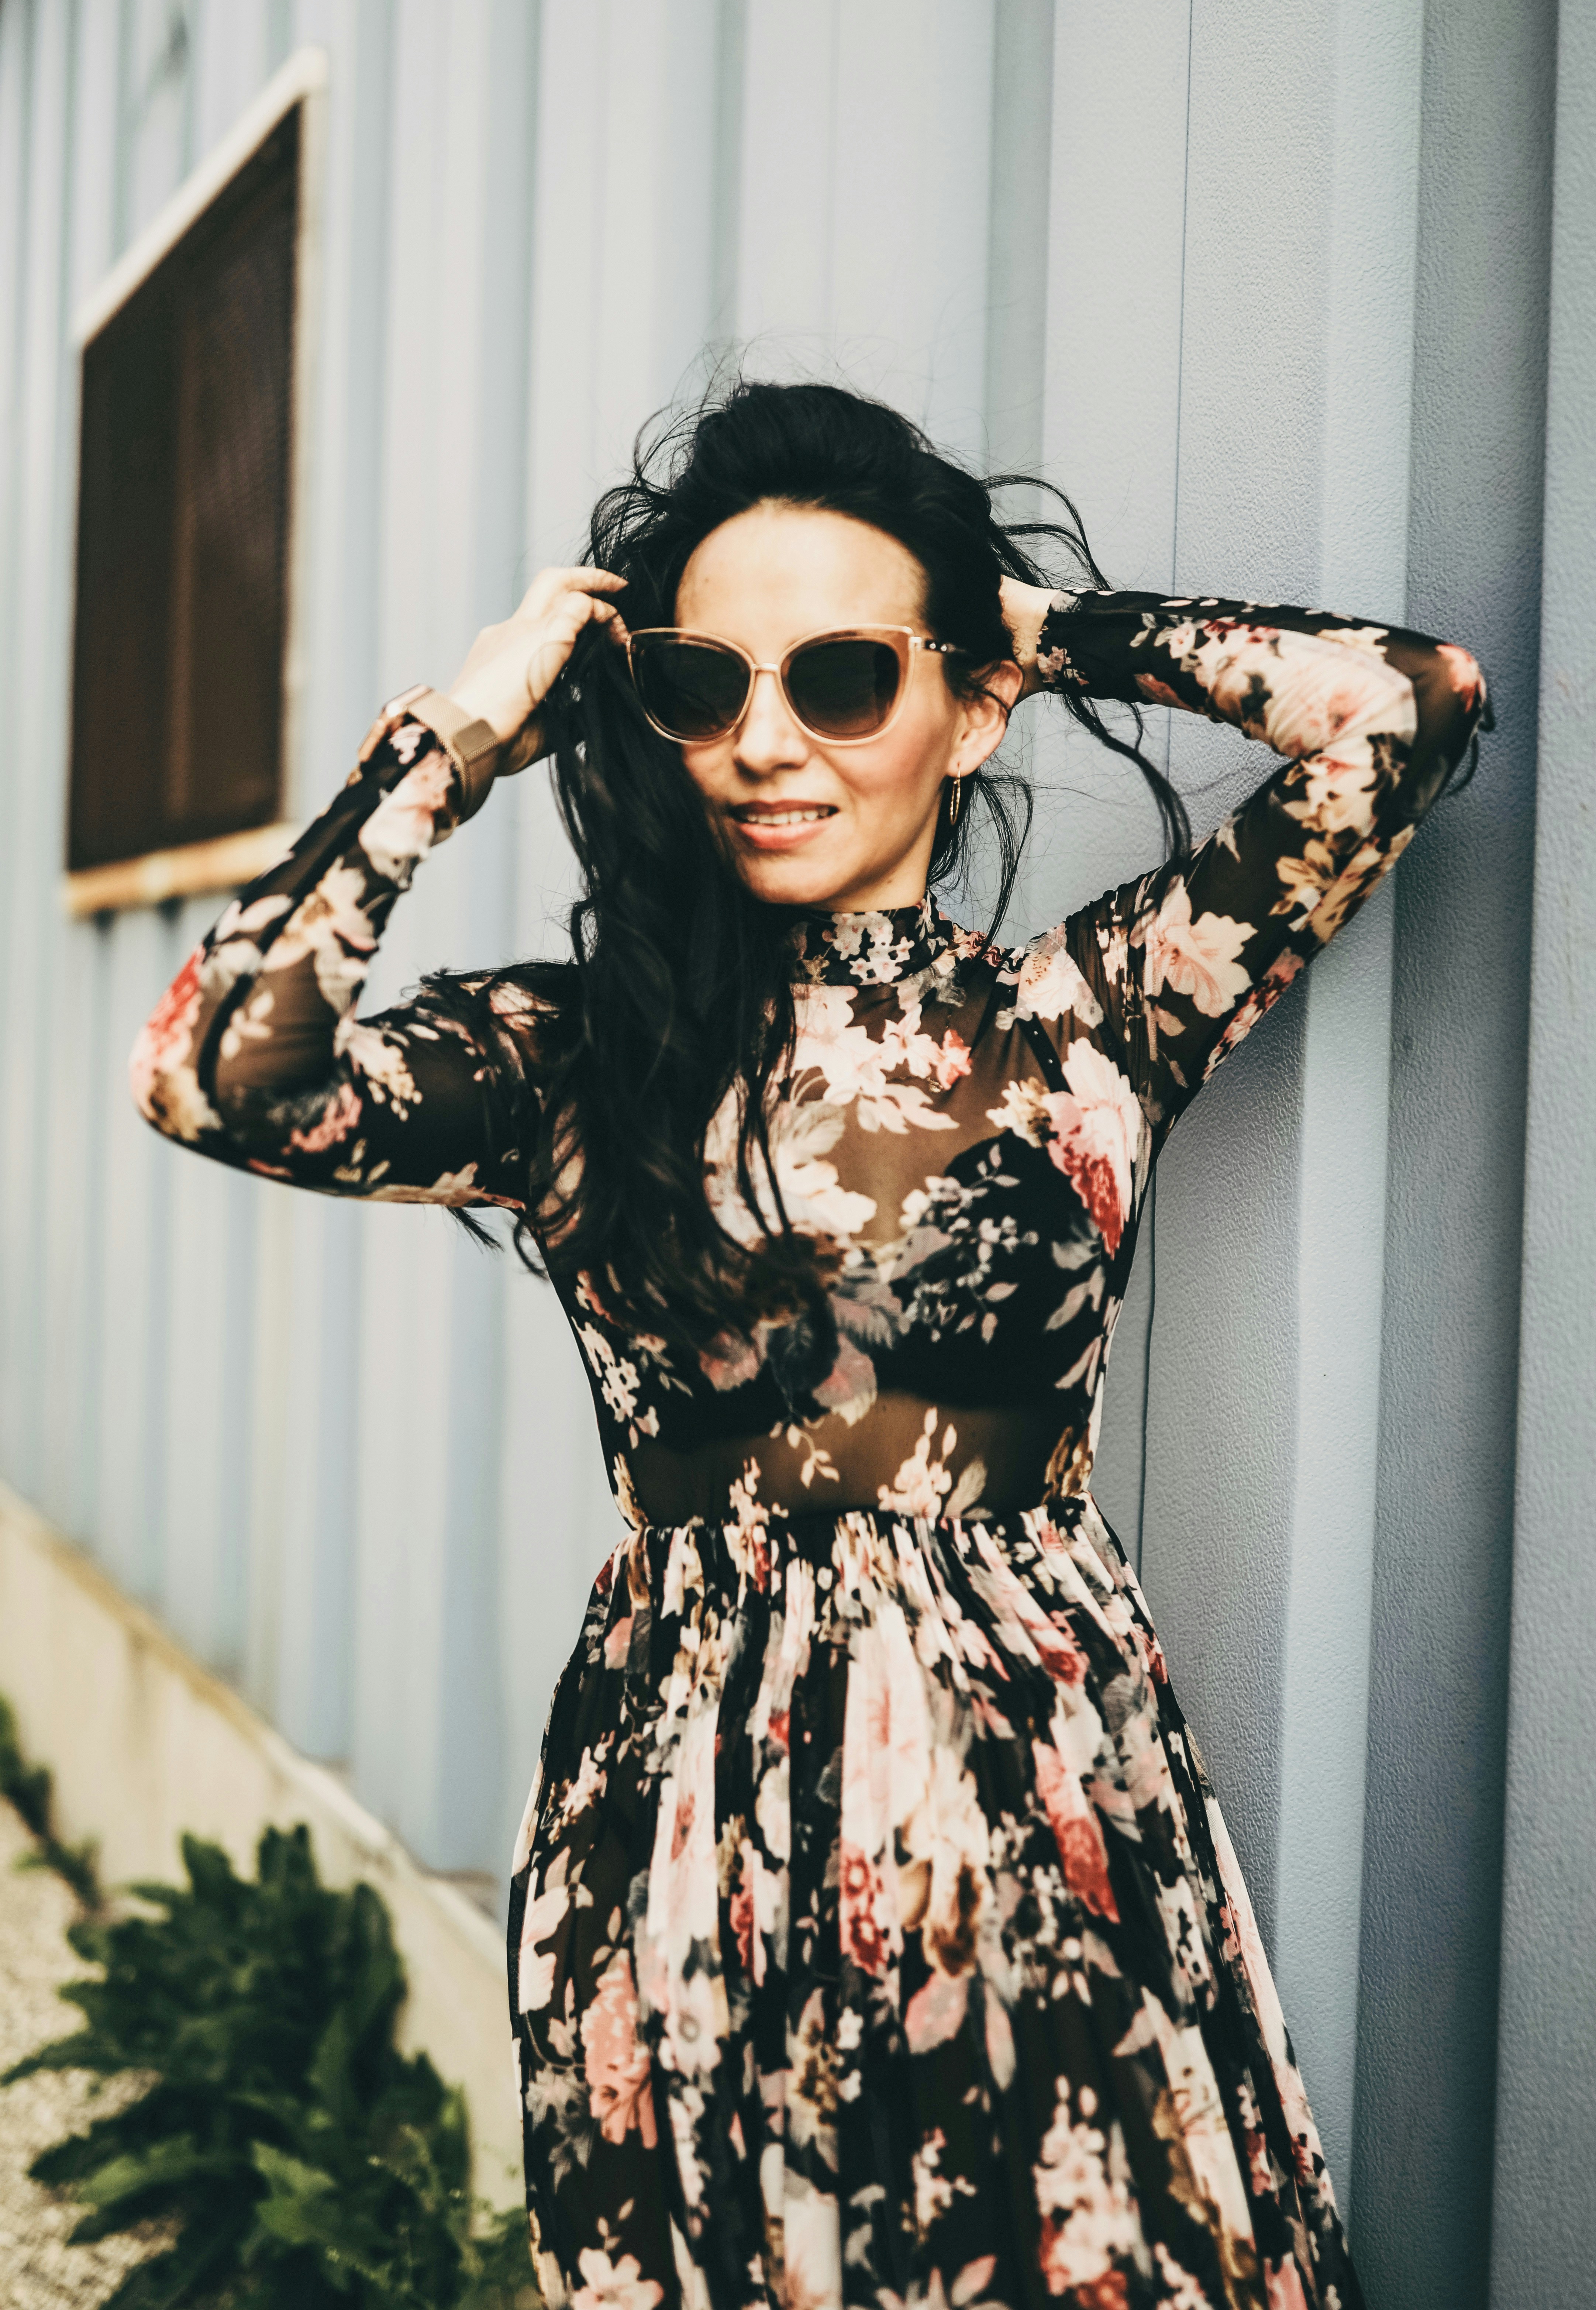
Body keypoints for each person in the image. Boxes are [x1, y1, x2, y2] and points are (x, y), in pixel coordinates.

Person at [132, 380, 1488, 2310]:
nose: (766, 742)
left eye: (845, 679)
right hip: (690, 1784)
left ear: (961, 702)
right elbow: (209, 1074)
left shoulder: (1087, 1023)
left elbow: (1411, 707)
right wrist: (457, 735)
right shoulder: (575, 1062)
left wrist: (1041, 627)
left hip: (1024, 1788)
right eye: (706, 685)